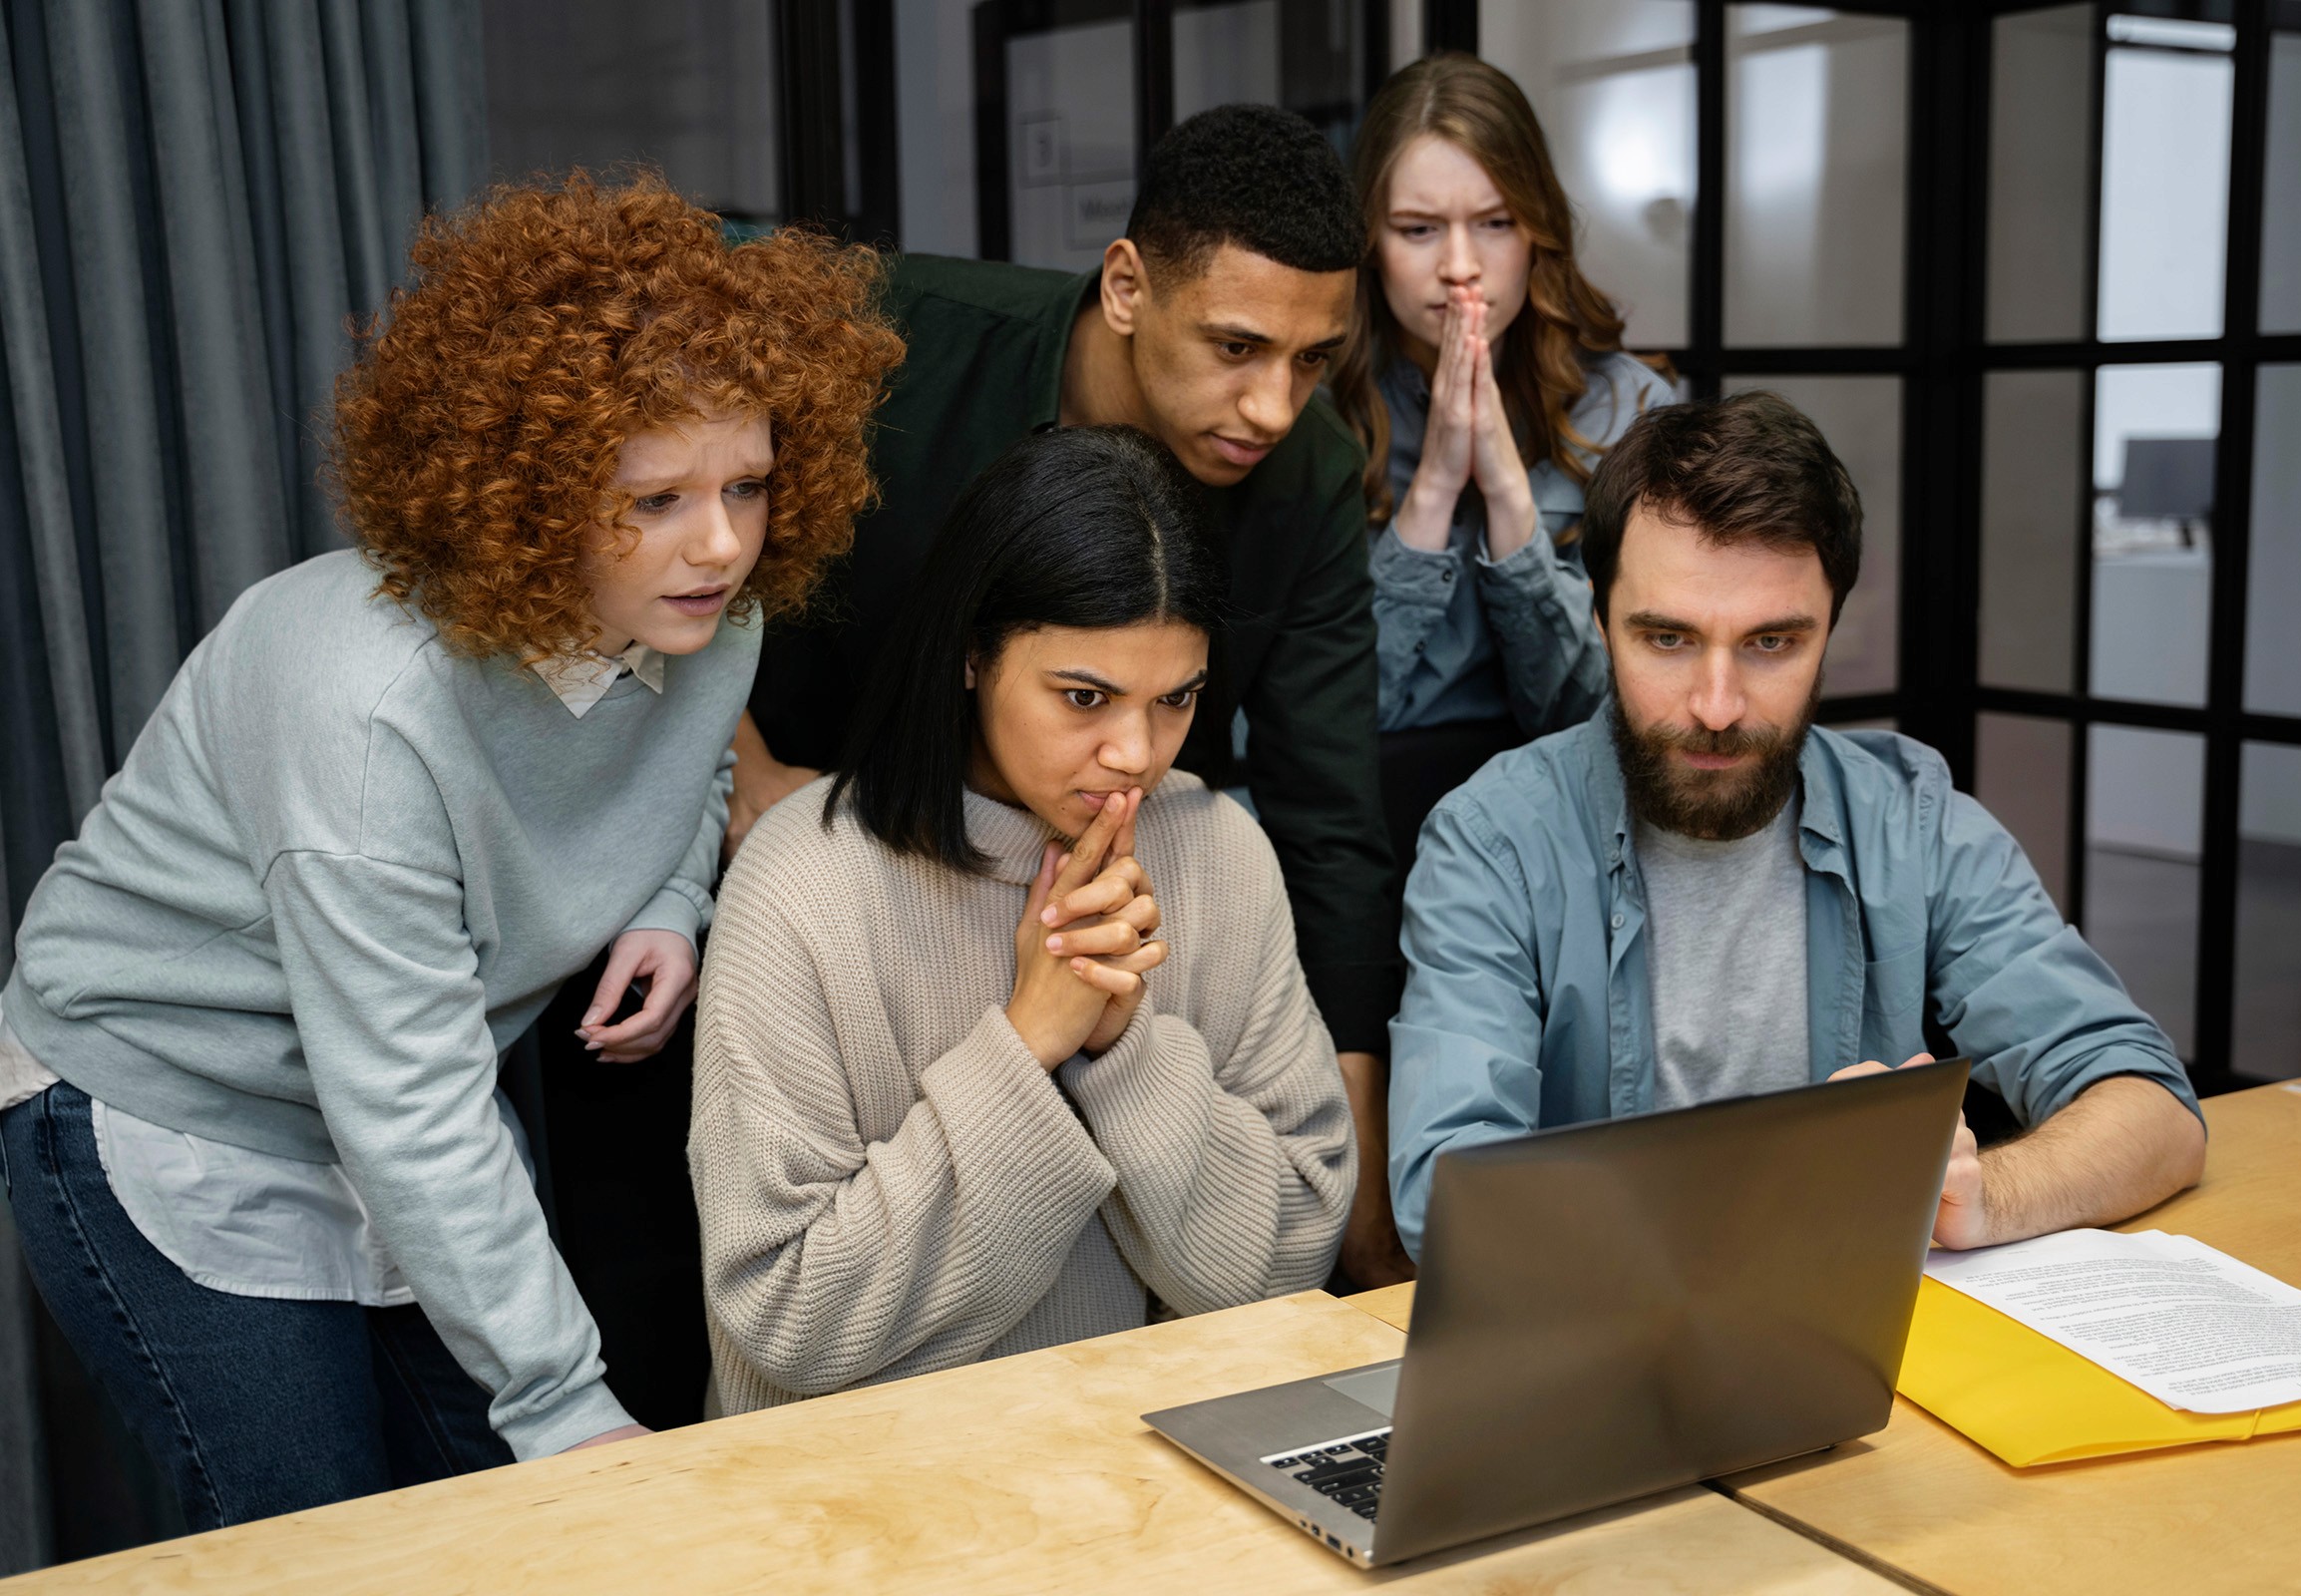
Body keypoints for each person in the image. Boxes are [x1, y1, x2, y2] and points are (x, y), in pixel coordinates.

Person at [0, 175, 901, 1527]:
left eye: (749, 483)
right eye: (652, 499)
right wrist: (562, 1402)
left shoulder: (714, 614)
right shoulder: (367, 714)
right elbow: (412, 1108)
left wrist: (667, 899)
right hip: (171, 1110)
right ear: (528, 493)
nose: (719, 542)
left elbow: (684, 755)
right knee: (322, 1545)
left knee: (500, 1531)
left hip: (399, 1098)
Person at [734, 103, 1412, 1289]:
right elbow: (670, 504)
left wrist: (1359, 1223)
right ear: (1126, 286)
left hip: (1078, 913)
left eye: (1315, 362)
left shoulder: (1303, 477)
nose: (1274, 406)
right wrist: (730, 764)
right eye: (1238, 347)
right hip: (815, 852)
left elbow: (1332, 822)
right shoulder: (899, 340)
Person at [1387, 392, 2206, 1260]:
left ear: (1830, 634)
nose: (1716, 706)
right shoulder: (1492, 842)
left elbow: (2154, 1110)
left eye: (1771, 643)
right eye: (1666, 639)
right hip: (1604, 1349)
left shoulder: (1909, 817)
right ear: (1599, 621)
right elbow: (1449, 1200)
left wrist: (1984, 1195)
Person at [691, 426, 1355, 1404]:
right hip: (864, 1514)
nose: (1135, 750)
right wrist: (1028, 1042)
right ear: (971, 653)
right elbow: (791, 1323)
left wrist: (1126, 1046)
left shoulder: (1220, 852)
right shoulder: (803, 883)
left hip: (1156, 1491)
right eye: (1083, 696)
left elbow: (1292, 1260)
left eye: (1175, 698)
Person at [1331, 54, 1673, 883]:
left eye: (1494, 222)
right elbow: (1328, 719)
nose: (1460, 265)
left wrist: (1511, 502)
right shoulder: (1317, 408)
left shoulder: (1628, 410)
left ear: (1538, 230)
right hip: (1362, 836)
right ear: (1370, 244)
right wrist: (1436, 489)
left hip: (1582, 836)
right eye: (1417, 229)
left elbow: (1618, 713)